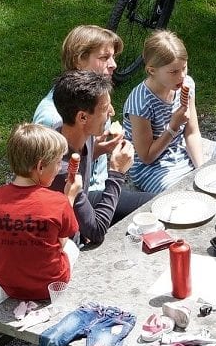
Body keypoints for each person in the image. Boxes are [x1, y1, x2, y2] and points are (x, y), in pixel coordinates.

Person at [0, 123, 81, 301]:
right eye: (57, 162)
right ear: (40, 166)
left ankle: (6, 296)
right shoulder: (57, 202)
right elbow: (62, 242)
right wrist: (69, 197)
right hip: (49, 287)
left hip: (7, 283)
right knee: (72, 247)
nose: (59, 168)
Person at [51, 69, 153, 246]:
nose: (112, 112)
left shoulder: (72, 130)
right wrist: (117, 173)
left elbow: (82, 158)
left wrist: (100, 149)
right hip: (65, 239)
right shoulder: (61, 171)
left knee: (156, 203)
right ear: (82, 117)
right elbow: (96, 232)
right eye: (105, 108)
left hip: (82, 198)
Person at [33, 25, 126, 193]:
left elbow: (77, 158)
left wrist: (99, 149)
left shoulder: (97, 97)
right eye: (104, 57)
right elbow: (47, 181)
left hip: (98, 187)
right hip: (77, 199)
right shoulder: (54, 118)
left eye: (113, 57)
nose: (113, 65)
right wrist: (117, 172)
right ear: (79, 60)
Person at [123, 31, 208, 193]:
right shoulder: (140, 104)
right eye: (173, 72)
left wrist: (201, 169)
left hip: (181, 153)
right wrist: (173, 126)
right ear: (152, 70)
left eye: (184, 68)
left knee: (213, 181)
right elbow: (146, 157)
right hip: (150, 169)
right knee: (179, 197)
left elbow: (192, 133)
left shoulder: (186, 85)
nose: (182, 76)